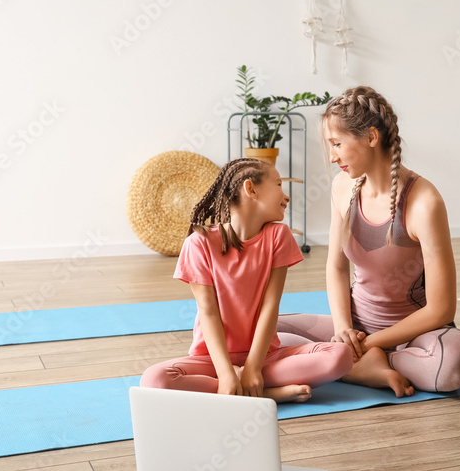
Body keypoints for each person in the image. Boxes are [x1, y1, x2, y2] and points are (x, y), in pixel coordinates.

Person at [277, 86, 460, 397]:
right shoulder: (343, 187)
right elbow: (335, 267)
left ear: (371, 137)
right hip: (355, 326)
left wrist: (370, 345)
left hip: (414, 337)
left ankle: (355, 363)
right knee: (254, 332)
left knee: (457, 362)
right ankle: (359, 364)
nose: (332, 157)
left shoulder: (424, 202)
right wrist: (345, 332)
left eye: (337, 144)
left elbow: (441, 309)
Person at [140, 158, 352, 402]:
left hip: (265, 358)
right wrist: (225, 372)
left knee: (339, 356)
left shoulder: (278, 236)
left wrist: (252, 367)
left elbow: (270, 306)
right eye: (279, 185)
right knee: (154, 380)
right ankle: (266, 393)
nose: (286, 196)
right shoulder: (198, 243)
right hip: (211, 360)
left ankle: (240, 388)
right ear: (251, 189)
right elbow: (208, 312)